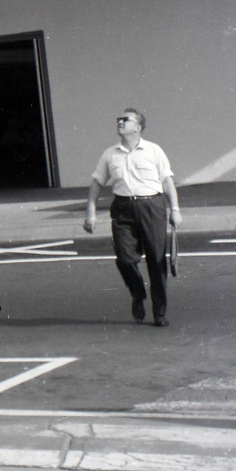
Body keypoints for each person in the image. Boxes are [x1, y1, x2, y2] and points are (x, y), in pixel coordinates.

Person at [84, 108, 182, 326]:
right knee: (125, 258)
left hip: (152, 206)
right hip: (123, 208)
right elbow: (97, 183)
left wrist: (175, 210)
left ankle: (160, 313)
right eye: (119, 119)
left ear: (137, 127)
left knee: (157, 261)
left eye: (125, 120)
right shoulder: (110, 154)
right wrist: (91, 212)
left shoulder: (154, 150)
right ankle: (138, 293)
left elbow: (167, 181)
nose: (120, 122)